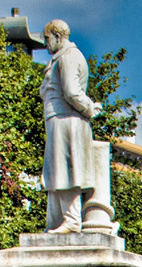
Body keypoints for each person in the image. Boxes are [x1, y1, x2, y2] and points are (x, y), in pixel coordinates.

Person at [39, 20, 102, 233]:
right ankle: (57, 221)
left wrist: (90, 109)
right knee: (55, 170)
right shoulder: (60, 57)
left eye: (47, 38)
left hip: (66, 119)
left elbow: (72, 92)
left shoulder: (68, 57)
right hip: (58, 118)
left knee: (64, 169)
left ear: (57, 36)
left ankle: (71, 220)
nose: (45, 44)